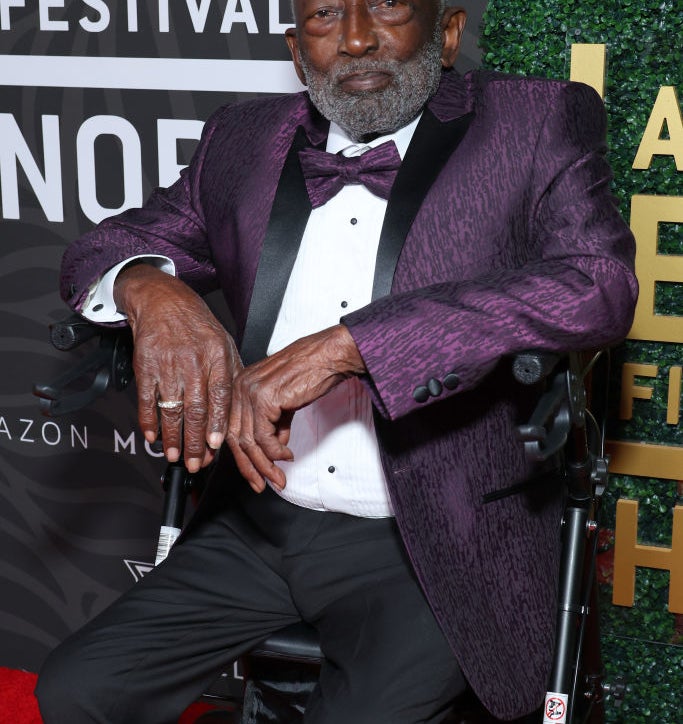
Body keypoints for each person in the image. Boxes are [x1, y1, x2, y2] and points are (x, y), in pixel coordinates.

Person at [36, 1, 638, 721]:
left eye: (385, 6)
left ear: (446, 33)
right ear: (297, 51)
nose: (355, 38)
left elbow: (596, 286)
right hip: (260, 521)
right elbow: (102, 249)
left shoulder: (534, 122)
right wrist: (151, 291)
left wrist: (351, 347)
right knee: (77, 690)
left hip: (431, 539)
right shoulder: (245, 138)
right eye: (324, 14)